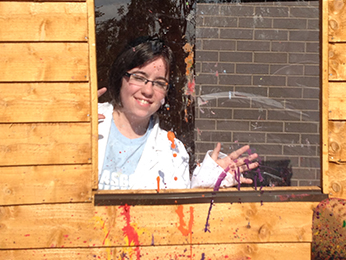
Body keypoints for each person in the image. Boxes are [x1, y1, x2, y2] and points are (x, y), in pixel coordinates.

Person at [97, 36, 258, 191]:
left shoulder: (172, 151)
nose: (147, 90)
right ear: (120, 77)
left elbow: (178, 212)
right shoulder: (87, 121)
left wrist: (206, 182)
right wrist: (72, 129)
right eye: (139, 78)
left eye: (159, 83)